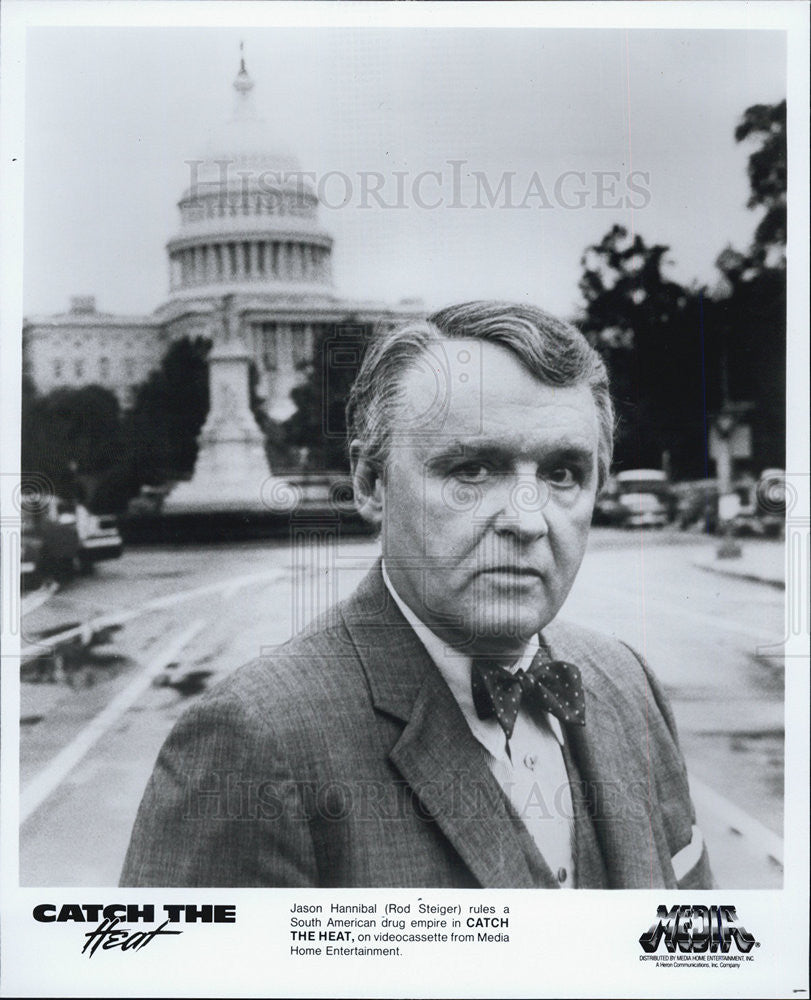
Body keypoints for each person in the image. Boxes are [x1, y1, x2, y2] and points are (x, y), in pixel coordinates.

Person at [121, 301, 713, 889]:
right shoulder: (253, 743)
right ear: (369, 485)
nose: (529, 522)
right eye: (473, 470)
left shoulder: (627, 684)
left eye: (563, 474)